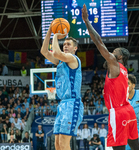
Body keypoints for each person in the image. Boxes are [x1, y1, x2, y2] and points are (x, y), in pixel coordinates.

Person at [82, 4, 139, 150]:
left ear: (120, 56)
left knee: (118, 147)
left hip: (118, 112)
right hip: (129, 110)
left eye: (114, 51)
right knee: (135, 146)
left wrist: (86, 21)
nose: (111, 52)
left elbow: (99, 42)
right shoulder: (124, 70)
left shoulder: (115, 63)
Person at [40, 22, 84, 150]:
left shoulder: (73, 59)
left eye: (68, 44)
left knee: (64, 144)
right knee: (58, 144)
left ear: (75, 48)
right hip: (63, 104)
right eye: (64, 44)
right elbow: (44, 51)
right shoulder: (61, 61)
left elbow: (57, 53)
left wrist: (56, 37)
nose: (65, 45)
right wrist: (50, 30)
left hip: (72, 104)